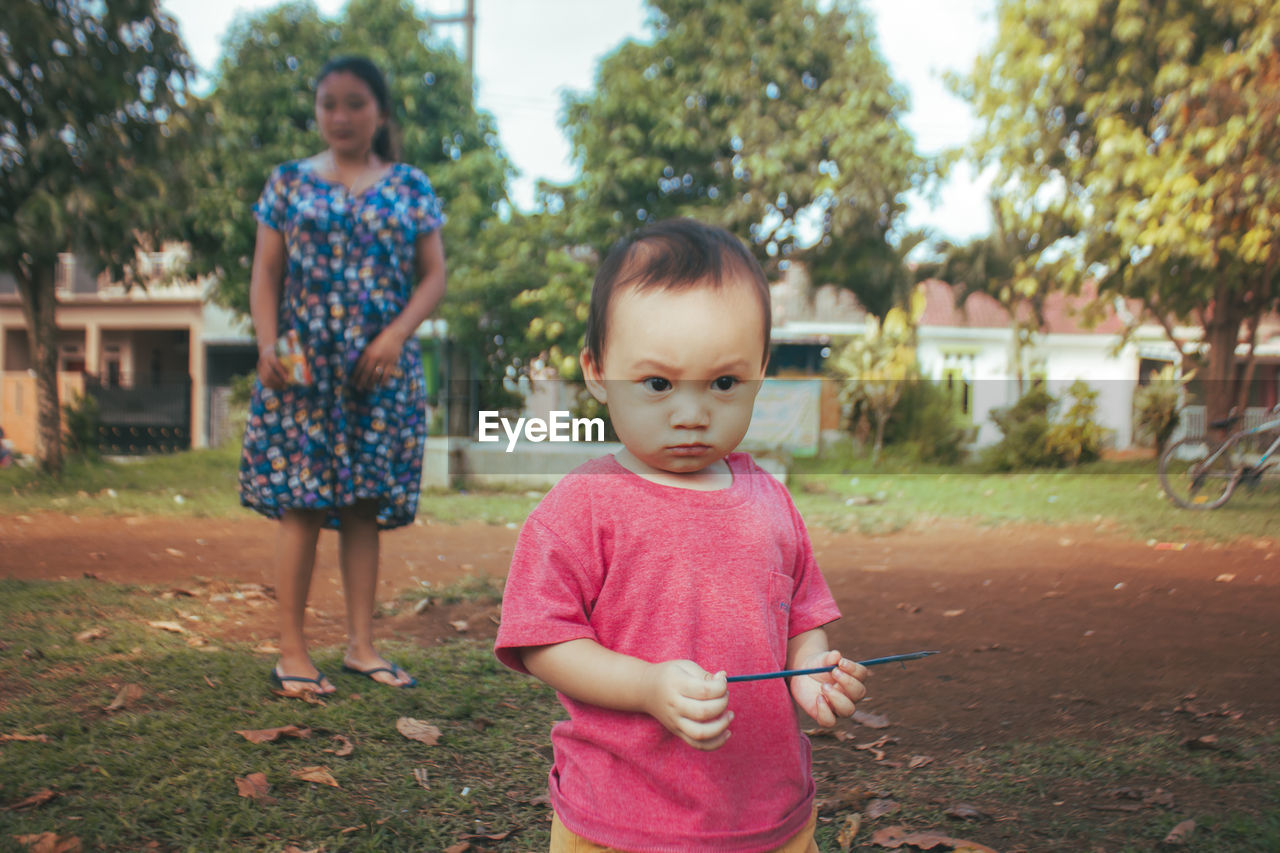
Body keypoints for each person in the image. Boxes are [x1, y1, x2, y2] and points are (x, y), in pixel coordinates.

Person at [494, 219, 868, 852]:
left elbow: (801, 616)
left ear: (759, 372)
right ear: (597, 371)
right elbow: (542, 641)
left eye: (724, 383)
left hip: (767, 816)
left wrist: (810, 668)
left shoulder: (772, 503)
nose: (692, 413)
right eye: (658, 384)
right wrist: (646, 687)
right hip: (621, 822)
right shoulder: (582, 507)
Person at [239, 56, 446, 695]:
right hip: (303, 370)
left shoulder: (409, 185)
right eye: (329, 103)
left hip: (377, 371)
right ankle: (292, 653)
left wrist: (394, 335)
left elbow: (433, 276)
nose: (340, 116)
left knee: (362, 507)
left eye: (355, 103)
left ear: (380, 112)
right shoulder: (287, 184)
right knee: (300, 505)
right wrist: (268, 343)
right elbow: (266, 275)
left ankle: (361, 646)